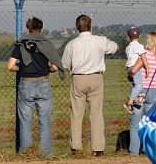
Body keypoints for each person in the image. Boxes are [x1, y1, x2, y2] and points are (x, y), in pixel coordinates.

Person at [7, 16, 66, 157]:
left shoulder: (21, 44)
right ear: (42, 29)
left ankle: (27, 154)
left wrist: (21, 68)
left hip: (26, 83)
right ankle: (45, 153)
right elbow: (55, 66)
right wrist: (48, 70)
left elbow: (10, 66)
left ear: (28, 29)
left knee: (25, 122)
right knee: (44, 121)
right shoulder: (47, 44)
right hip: (43, 82)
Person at [60, 14, 117, 156]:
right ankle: (98, 148)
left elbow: (66, 64)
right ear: (90, 26)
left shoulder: (71, 44)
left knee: (77, 114)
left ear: (77, 27)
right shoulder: (100, 41)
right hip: (95, 77)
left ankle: (76, 147)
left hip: (78, 78)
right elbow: (115, 47)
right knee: (96, 113)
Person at [128, 31, 156, 156]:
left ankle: (134, 151)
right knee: (152, 122)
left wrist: (130, 74)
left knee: (135, 122)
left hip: (140, 92)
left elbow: (134, 70)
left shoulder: (145, 55)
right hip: (154, 91)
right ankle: (154, 149)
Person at [124, 27, 147, 112]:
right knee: (139, 85)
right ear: (140, 36)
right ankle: (129, 103)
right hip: (135, 68)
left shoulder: (127, 48)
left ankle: (135, 101)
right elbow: (143, 57)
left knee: (135, 85)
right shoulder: (139, 46)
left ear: (128, 37)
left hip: (129, 68)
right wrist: (147, 67)